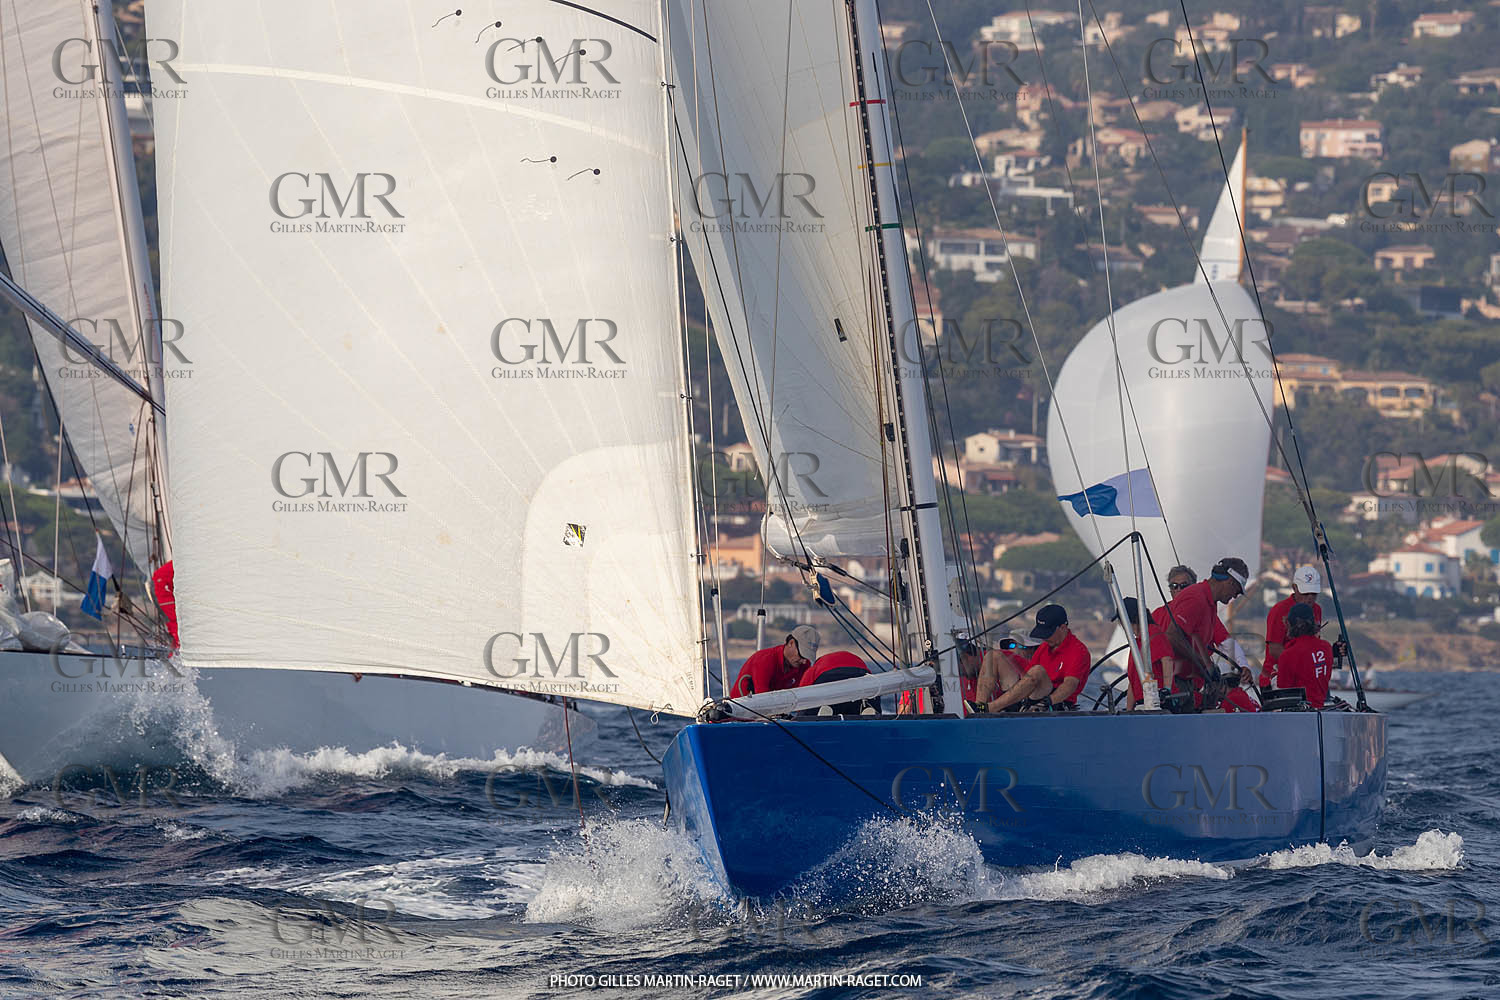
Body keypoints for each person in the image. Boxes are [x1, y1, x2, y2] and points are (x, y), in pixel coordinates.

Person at [1155, 556, 1248, 708]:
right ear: (1230, 582)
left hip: (1184, 681)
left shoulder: (1208, 601)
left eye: (1183, 585)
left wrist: (1242, 664)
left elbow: (1224, 641)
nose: (1235, 596)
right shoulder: (1196, 598)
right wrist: (1205, 664)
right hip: (1173, 682)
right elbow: (1172, 636)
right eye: (1237, 591)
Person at [973, 605, 1090, 711]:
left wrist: (1049, 701)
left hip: (1053, 703)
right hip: (1029, 697)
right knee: (993, 656)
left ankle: (990, 708)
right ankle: (978, 708)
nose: (1044, 638)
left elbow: (1069, 685)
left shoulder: (1079, 651)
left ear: (1063, 628)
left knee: (1037, 671)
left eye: (1048, 633)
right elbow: (1027, 676)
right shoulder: (1044, 647)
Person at [1261, 564, 1324, 688]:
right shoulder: (1279, 610)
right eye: (1305, 593)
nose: (1310, 598)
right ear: (1294, 588)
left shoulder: (1317, 609)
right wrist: (1303, 663)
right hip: (1274, 676)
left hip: (1303, 677)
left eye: (1314, 594)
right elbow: (1274, 650)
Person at [728, 624, 818, 698]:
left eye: (807, 657)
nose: (804, 661)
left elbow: (801, 694)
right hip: (741, 711)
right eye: (802, 655)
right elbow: (762, 698)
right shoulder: (765, 660)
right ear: (791, 643)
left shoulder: (804, 665)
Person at [1276, 603, 1333, 708]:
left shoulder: (1288, 654)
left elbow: (1284, 693)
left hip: (1299, 713)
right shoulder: (1327, 647)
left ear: (1290, 624)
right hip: (1320, 710)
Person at [1117, 597, 1169, 711]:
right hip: (1142, 704)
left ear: (1130, 619)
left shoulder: (1153, 632)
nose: (1121, 625)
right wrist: (1129, 711)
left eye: (1121, 621)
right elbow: (1133, 682)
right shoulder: (1136, 643)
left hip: (1159, 703)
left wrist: (1167, 689)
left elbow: (1167, 660)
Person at [799, 650, 874, 715]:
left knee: (808, 712)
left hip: (828, 677)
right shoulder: (854, 659)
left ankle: (822, 714)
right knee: (862, 705)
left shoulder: (816, 666)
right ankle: (866, 712)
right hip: (861, 676)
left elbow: (802, 694)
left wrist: (801, 713)